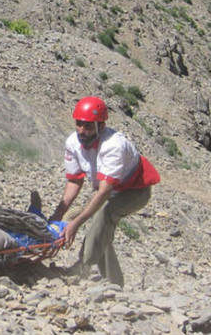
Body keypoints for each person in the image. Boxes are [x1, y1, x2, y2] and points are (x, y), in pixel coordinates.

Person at [49, 96, 160, 287]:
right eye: (79, 125)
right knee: (102, 233)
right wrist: (58, 214)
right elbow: (75, 181)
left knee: (104, 216)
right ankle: (114, 283)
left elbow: (104, 192)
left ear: (100, 126)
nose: (82, 131)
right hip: (111, 190)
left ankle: (82, 267)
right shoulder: (73, 143)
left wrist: (75, 223)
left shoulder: (113, 145)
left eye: (88, 127)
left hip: (135, 191)